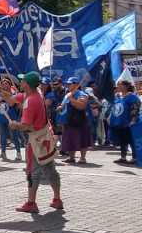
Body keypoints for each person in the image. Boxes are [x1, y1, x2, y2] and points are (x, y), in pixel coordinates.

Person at [7, 72, 63, 213]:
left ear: (27, 84)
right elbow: (12, 99)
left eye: (23, 80)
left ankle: (31, 202)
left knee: (32, 172)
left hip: (36, 140)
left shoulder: (30, 101)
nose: (20, 82)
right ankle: (57, 199)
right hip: (44, 137)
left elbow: (26, 125)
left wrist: (15, 125)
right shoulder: (36, 93)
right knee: (50, 169)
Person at [57, 77, 91, 164]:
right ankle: (71, 157)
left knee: (82, 139)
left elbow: (81, 106)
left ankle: (82, 158)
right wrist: (60, 107)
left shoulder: (82, 94)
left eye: (70, 84)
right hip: (68, 120)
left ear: (76, 84)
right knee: (69, 139)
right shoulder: (67, 94)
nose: (67, 85)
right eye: (67, 84)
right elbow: (63, 105)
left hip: (79, 120)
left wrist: (71, 99)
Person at [110, 78, 139, 164]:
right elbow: (115, 108)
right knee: (122, 141)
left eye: (120, 84)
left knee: (131, 140)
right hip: (119, 123)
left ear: (126, 86)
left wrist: (133, 120)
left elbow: (135, 108)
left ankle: (135, 158)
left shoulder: (132, 97)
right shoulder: (118, 96)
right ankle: (123, 157)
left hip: (129, 123)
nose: (117, 86)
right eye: (117, 84)